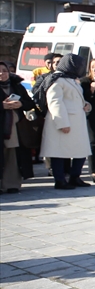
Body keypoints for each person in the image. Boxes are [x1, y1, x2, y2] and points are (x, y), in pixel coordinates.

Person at [40, 54, 92, 190]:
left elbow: (75, 99)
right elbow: (55, 102)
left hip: (77, 122)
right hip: (64, 122)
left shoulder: (71, 79)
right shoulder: (57, 80)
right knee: (59, 152)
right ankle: (60, 180)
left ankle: (75, 177)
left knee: (80, 151)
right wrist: (62, 123)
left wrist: (86, 105)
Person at [0, 61, 35, 193]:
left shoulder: (17, 86)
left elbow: (29, 103)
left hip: (15, 127)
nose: (1, 74)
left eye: (4, 70)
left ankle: (11, 184)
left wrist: (19, 104)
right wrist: (2, 106)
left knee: (13, 155)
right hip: (2, 126)